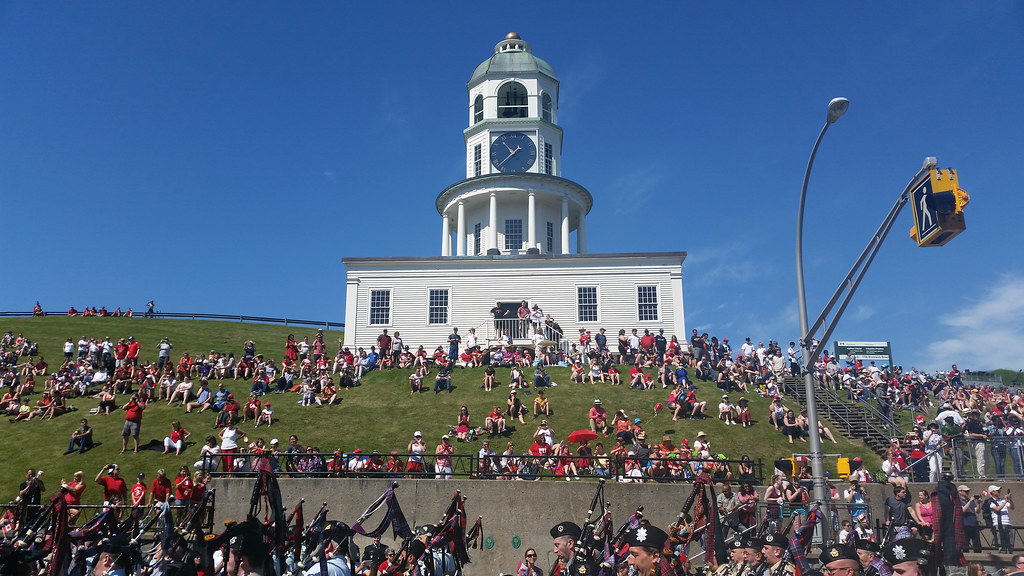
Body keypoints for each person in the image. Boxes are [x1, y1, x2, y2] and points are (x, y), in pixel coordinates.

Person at [988, 484, 1014, 553]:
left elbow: (1012, 507)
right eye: (997, 490)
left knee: (1010, 543)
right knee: (1000, 542)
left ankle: (1010, 553)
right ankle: (1001, 553)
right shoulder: (990, 501)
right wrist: (1005, 501)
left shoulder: (1002, 500)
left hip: (1007, 523)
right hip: (998, 523)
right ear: (992, 492)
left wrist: (1010, 500)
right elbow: (997, 509)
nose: (999, 491)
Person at [958, 484, 982, 553]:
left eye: (968, 491)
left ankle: (978, 554)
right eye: (966, 491)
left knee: (977, 542)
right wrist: (970, 501)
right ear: (960, 491)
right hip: (965, 524)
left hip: (974, 523)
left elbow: (977, 511)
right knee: (966, 542)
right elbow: (963, 510)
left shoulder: (970, 500)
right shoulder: (959, 501)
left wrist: (978, 504)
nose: (967, 492)